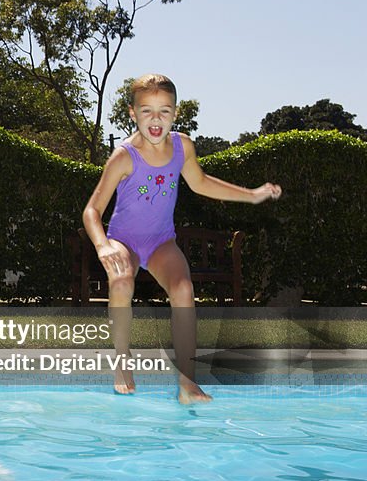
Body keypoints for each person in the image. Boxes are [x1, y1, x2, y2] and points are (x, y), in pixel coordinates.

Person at [83, 74, 281, 404]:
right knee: (120, 282)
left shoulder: (182, 147)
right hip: (124, 240)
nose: (156, 120)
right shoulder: (123, 156)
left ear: (176, 113)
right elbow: (92, 211)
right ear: (132, 113)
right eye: (147, 111)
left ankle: (188, 384)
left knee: (184, 289)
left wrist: (251, 194)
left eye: (165, 111)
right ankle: (122, 362)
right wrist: (103, 245)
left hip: (161, 240)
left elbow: (201, 182)